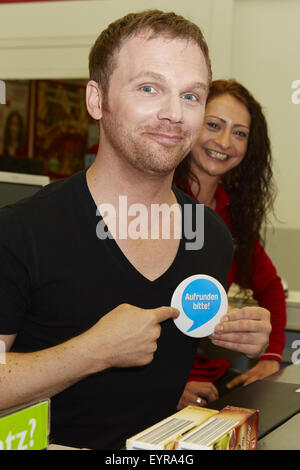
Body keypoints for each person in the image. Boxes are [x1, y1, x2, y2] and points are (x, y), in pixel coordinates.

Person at [0, 12, 271, 450]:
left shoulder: (210, 235)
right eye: (149, 88)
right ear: (97, 99)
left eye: (190, 95)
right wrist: (94, 351)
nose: (173, 114)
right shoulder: (21, 231)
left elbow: (169, 356)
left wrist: (224, 341)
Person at [174, 79, 286, 410]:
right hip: (159, 391)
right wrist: (166, 385)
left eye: (239, 133)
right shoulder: (154, 203)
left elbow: (271, 289)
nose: (225, 141)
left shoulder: (231, 214)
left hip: (215, 387)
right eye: (214, 125)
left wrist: (270, 356)